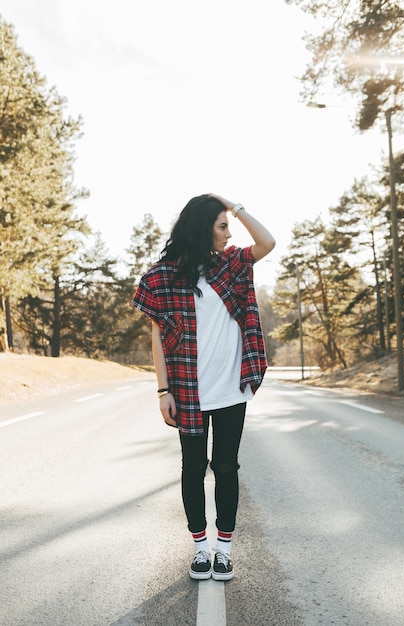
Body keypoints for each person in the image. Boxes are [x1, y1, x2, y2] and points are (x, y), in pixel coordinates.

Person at [131, 194, 275, 581]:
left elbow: (267, 242)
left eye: (228, 226)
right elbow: (158, 339)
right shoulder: (162, 277)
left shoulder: (230, 265)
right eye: (222, 226)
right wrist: (163, 391)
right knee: (193, 468)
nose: (229, 235)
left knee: (226, 467)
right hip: (189, 392)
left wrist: (236, 207)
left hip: (231, 388)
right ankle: (200, 549)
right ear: (202, 228)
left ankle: (223, 550)